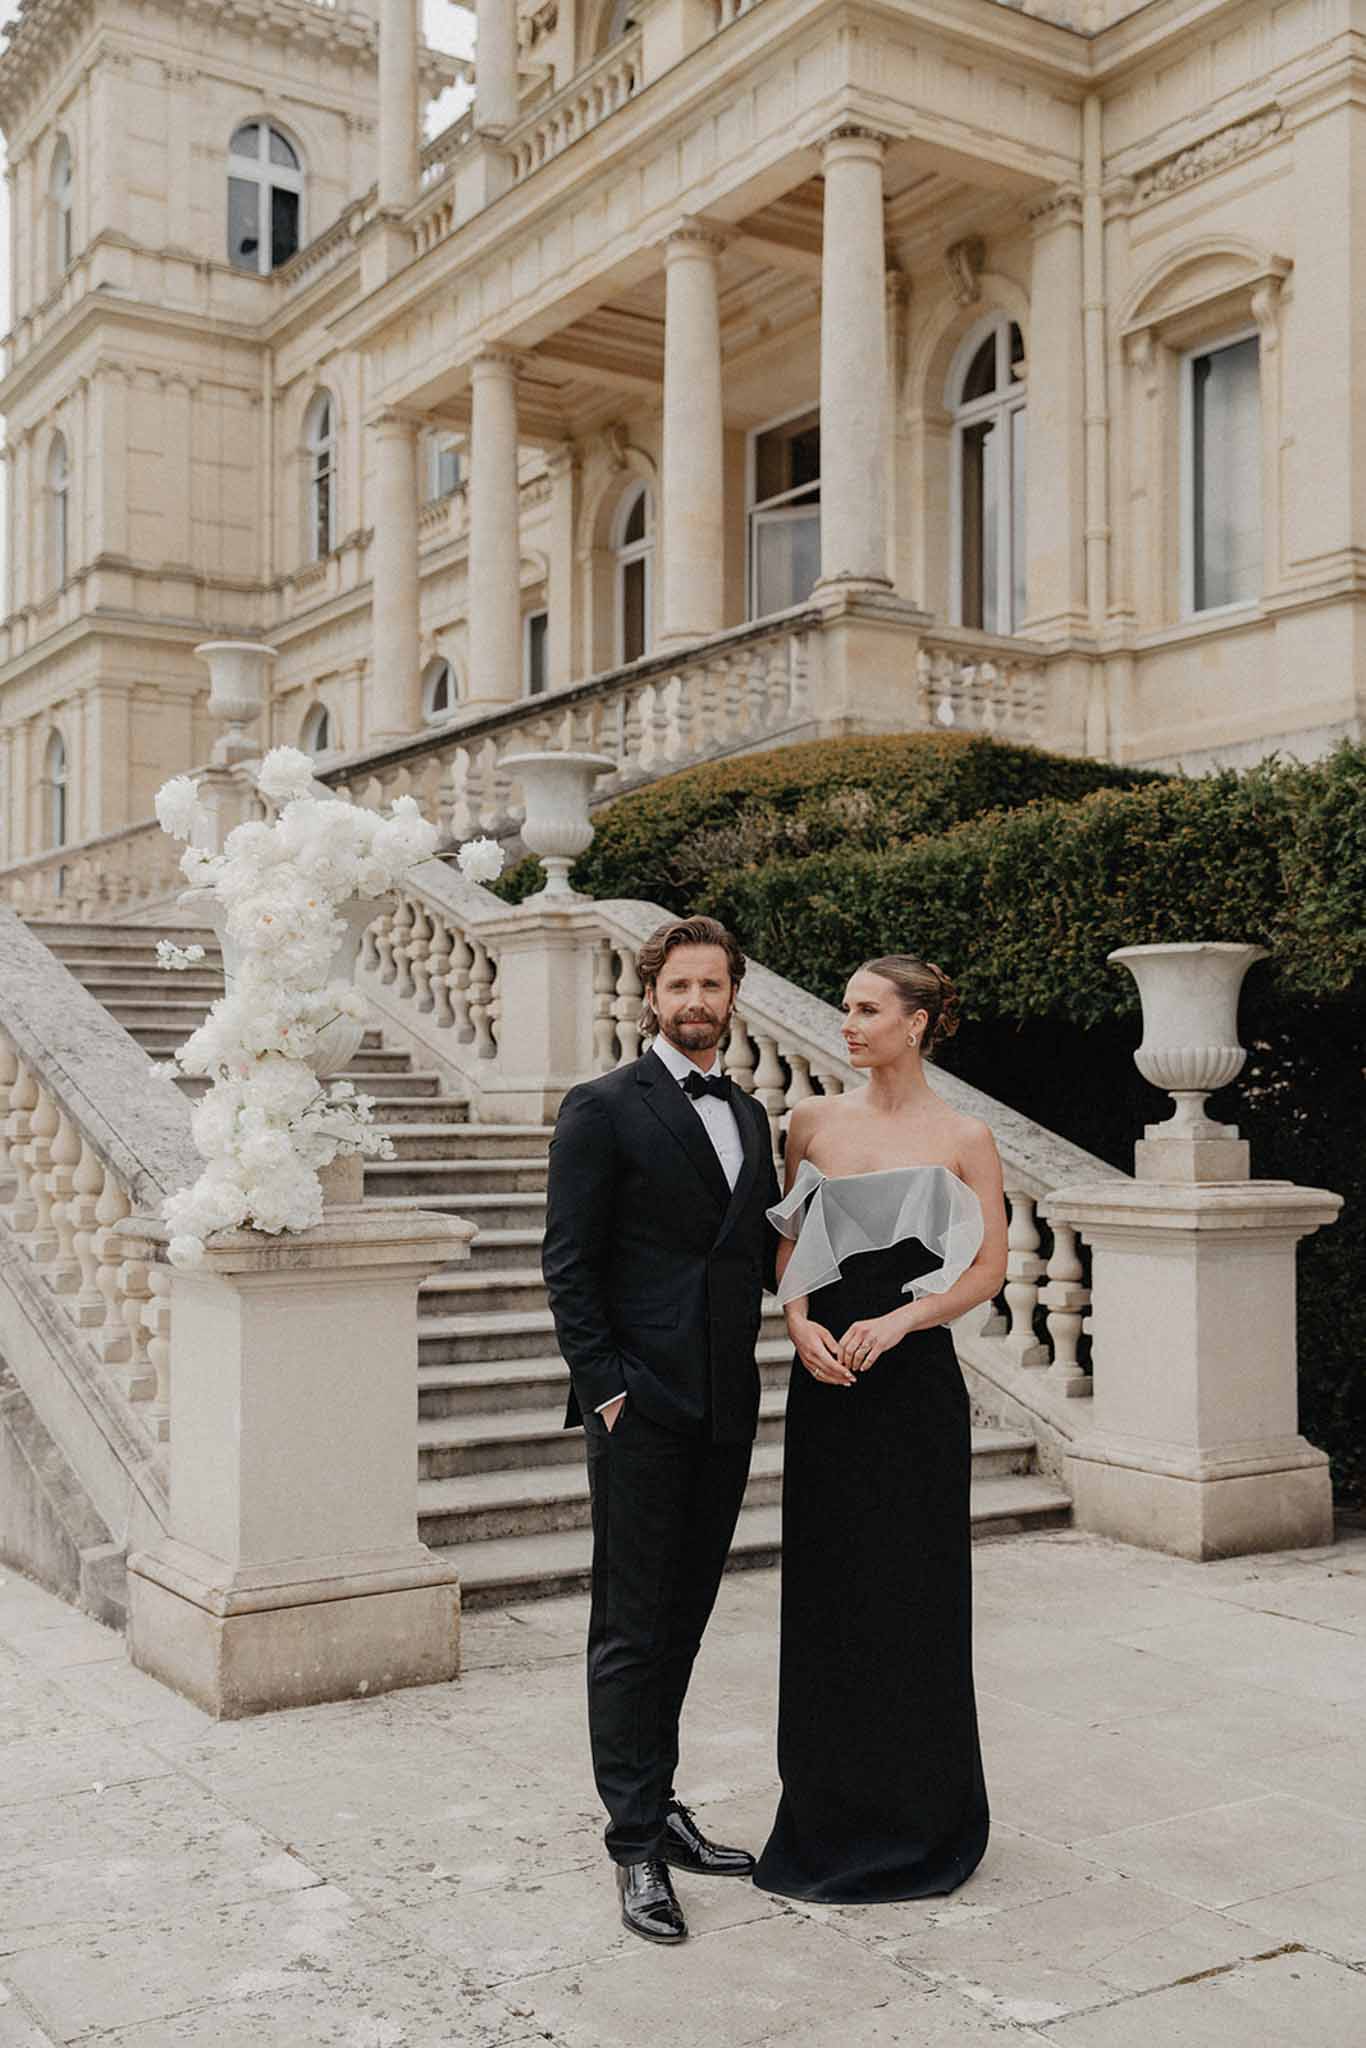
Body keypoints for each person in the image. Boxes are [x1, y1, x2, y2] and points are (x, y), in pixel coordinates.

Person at [542, 913, 781, 1945]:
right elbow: (567, 1262)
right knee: (631, 1627)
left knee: (682, 1616)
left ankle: (664, 1802)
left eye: (712, 985)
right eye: (678, 985)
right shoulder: (601, 1107)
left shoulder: (752, 1114)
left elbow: (752, 1251)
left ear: (734, 996)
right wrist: (607, 1390)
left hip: (728, 1399)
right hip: (639, 1406)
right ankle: (633, 1839)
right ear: (650, 996)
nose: (696, 1002)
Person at [752, 955, 1009, 1905]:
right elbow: (792, 1250)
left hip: (913, 1392)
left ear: (919, 1022)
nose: (848, 1025)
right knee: (828, 1596)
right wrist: (799, 1324)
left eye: (866, 1010)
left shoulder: (966, 1135)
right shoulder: (812, 1122)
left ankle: (925, 1819)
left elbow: (985, 1270)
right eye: (845, 1010)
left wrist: (902, 1321)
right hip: (826, 1386)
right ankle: (824, 1816)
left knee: (915, 1595)